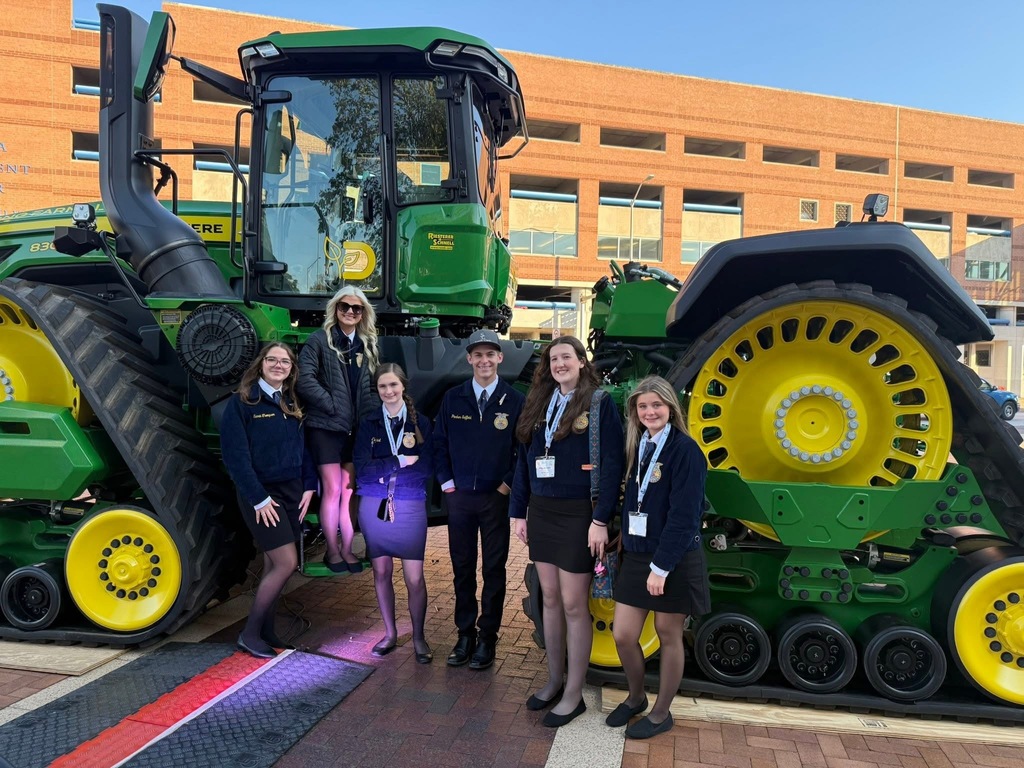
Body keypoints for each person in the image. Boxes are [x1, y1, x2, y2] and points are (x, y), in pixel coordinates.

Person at [510, 335, 624, 727]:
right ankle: (554, 680)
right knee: (551, 600)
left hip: (579, 514)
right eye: (553, 358)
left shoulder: (599, 402)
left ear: (581, 361)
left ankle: (574, 694)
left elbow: (611, 465)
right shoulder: (540, 401)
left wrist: (599, 520)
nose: (559, 364)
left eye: (566, 357)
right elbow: (524, 460)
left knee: (576, 605)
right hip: (542, 511)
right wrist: (518, 512)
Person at [604, 375, 709, 740]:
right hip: (637, 553)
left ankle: (662, 712)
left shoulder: (686, 451)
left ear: (670, 407)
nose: (650, 411)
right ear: (635, 411)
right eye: (643, 406)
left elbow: (684, 516)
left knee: (668, 633)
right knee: (624, 634)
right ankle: (635, 698)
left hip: (673, 558)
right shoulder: (641, 446)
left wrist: (661, 568)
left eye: (657, 405)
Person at [434, 329, 525, 670]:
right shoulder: (453, 398)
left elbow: (523, 449)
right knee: (462, 568)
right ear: (469, 359)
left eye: (491, 354)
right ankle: (465, 633)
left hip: (494, 499)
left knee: (493, 569)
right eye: (478, 355)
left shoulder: (514, 400)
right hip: (459, 499)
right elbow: (439, 443)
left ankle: (488, 636)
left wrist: (505, 486)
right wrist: (445, 482)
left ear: (500, 358)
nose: (484, 360)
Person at [220, 342, 318, 659]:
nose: (278, 365)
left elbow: (303, 450)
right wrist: (259, 499)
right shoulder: (243, 403)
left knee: (273, 562)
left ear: (291, 368)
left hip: (292, 491)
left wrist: (308, 485)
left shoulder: (290, 401)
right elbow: (235, 459)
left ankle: (267, 630)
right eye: (272, 360)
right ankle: (249, 634)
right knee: (287, 562)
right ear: (261, 364)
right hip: (262, 494)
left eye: (285, 361)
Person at [353, 363, 434, 663]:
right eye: (382, 387)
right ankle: (389, 634)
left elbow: (427, 467)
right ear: (377, 391)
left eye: (393, 386)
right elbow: (362, 468)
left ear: (403, 387)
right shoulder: (369, 423)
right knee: (381, 571)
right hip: (374, 506)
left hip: (410, 504)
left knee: (414, 578)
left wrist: (384, 471)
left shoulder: (421, 423)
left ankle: (419, 637)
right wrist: (397, 463)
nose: (388, 392)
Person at [297, 285, 379, 574]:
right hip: (326, 428)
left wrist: (368, 421)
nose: (350, 312)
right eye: (345, 306)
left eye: (357, 308)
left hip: (354, 431)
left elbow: (370, 387)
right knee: (332, 490)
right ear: (335, 308)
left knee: (349, 490)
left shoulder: (367, 344)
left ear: (363, 313)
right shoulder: (319, 341)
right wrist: (333, 405)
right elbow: (305, 380)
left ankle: (347, 549)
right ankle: (332, 552)